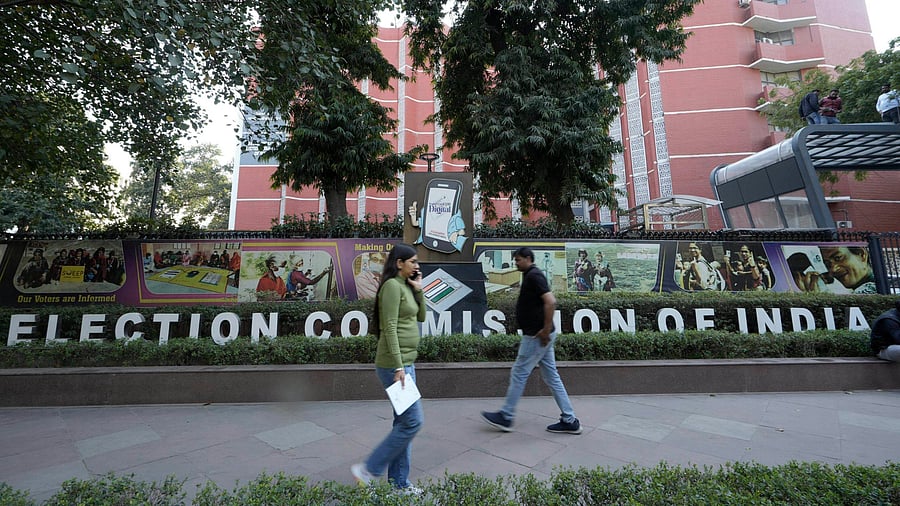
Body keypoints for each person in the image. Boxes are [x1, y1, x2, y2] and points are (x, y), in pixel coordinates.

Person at [481, 246, 582, 435]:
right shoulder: (530, 275)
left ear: (528, 258)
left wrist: (544, 329)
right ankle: (570, 420)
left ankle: (506, 416)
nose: (515, 263)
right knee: (552, 376)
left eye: (518, 260)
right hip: (541, 334)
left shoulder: (534, 276)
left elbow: (550, 301)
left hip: (536, 336)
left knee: (519, 372)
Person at [351, 243, 426, 494]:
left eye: (417, 262)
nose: (417, 265)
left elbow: (422, 317)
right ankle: (368, 470)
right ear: (399, 263)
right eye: (412, 261)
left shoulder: (405, 286)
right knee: (413, 422)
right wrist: (398, 366)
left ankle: (399, 483)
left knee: (403, 424)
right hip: (396, 366)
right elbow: (389, 328)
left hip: (407, 364)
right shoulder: (392, 287)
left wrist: (419, 289)